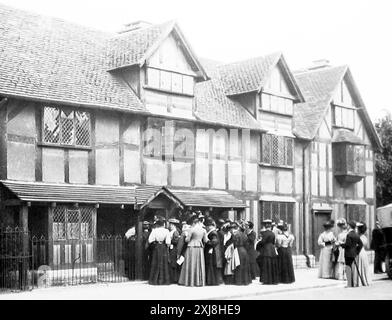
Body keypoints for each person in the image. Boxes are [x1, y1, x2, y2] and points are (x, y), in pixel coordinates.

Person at [178, 216, 209, 287]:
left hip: (191, 247)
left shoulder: (191, 229)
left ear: (194, 223)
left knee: (190, 263)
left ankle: (190, 281)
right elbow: (205, 240)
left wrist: (185, 237)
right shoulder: (203, 230)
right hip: (199, 247)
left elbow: (187, 240)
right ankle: (199, 281)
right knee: (199, 264)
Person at [147, 219, 171, 285]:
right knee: (164, 263)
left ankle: (154, 280)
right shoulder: (166, 231)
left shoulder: (154, 231)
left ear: (157, 224)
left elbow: (150, 240)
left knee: (156, 262)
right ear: (163, 224)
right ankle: (164, 280)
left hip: (156, 247)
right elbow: (168, 241)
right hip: (163, 247)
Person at [256, 219, 279, 285]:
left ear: (265, 226)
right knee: (272, 265)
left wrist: (258, 244)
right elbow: (273, 242)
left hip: (266, 250)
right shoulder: (272, 233)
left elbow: (263, 242)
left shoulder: (265, 233)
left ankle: (266, 280)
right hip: (272, 250)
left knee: (266, 265)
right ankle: (273, 280)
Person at [342, 220, 363, 288]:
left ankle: (349, 284)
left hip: (348, 254)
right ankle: (353, 283)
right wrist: (357, 252)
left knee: (348, 268)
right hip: (354, 254)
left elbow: (347, 245)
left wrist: (340, 244)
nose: (347, 226)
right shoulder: (356, 234)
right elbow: (361, 244)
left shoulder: (349, 234)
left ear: (349, 226)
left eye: (348, 225)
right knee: (353, 268)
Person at [204, 218, 223, 285]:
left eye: (206, 227)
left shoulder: (213, 233)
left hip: (211, 252)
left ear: (209, 226)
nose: (206, 228)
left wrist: (207, 241)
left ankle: (211, 281)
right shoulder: (213, 232)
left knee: (211, 266)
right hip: (212, 251)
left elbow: (214, 242)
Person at [233, 221, 252, 285]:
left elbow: (235, 243)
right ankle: (245, 280)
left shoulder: (237, 234)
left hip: (238, 250)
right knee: (245, 266)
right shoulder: (245, 235)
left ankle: (239, 281)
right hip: (244, 251)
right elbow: (247, 244)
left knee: (239, 265)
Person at [168, 218, 181, 284]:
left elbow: (176, 241)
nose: (170, 226)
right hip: (171, 248)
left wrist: (170, 240)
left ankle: (174, 279)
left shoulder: (175, 232)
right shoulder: (171, 232)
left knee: (173, 263)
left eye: (171, 224)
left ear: (173, 225)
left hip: (174, 249)